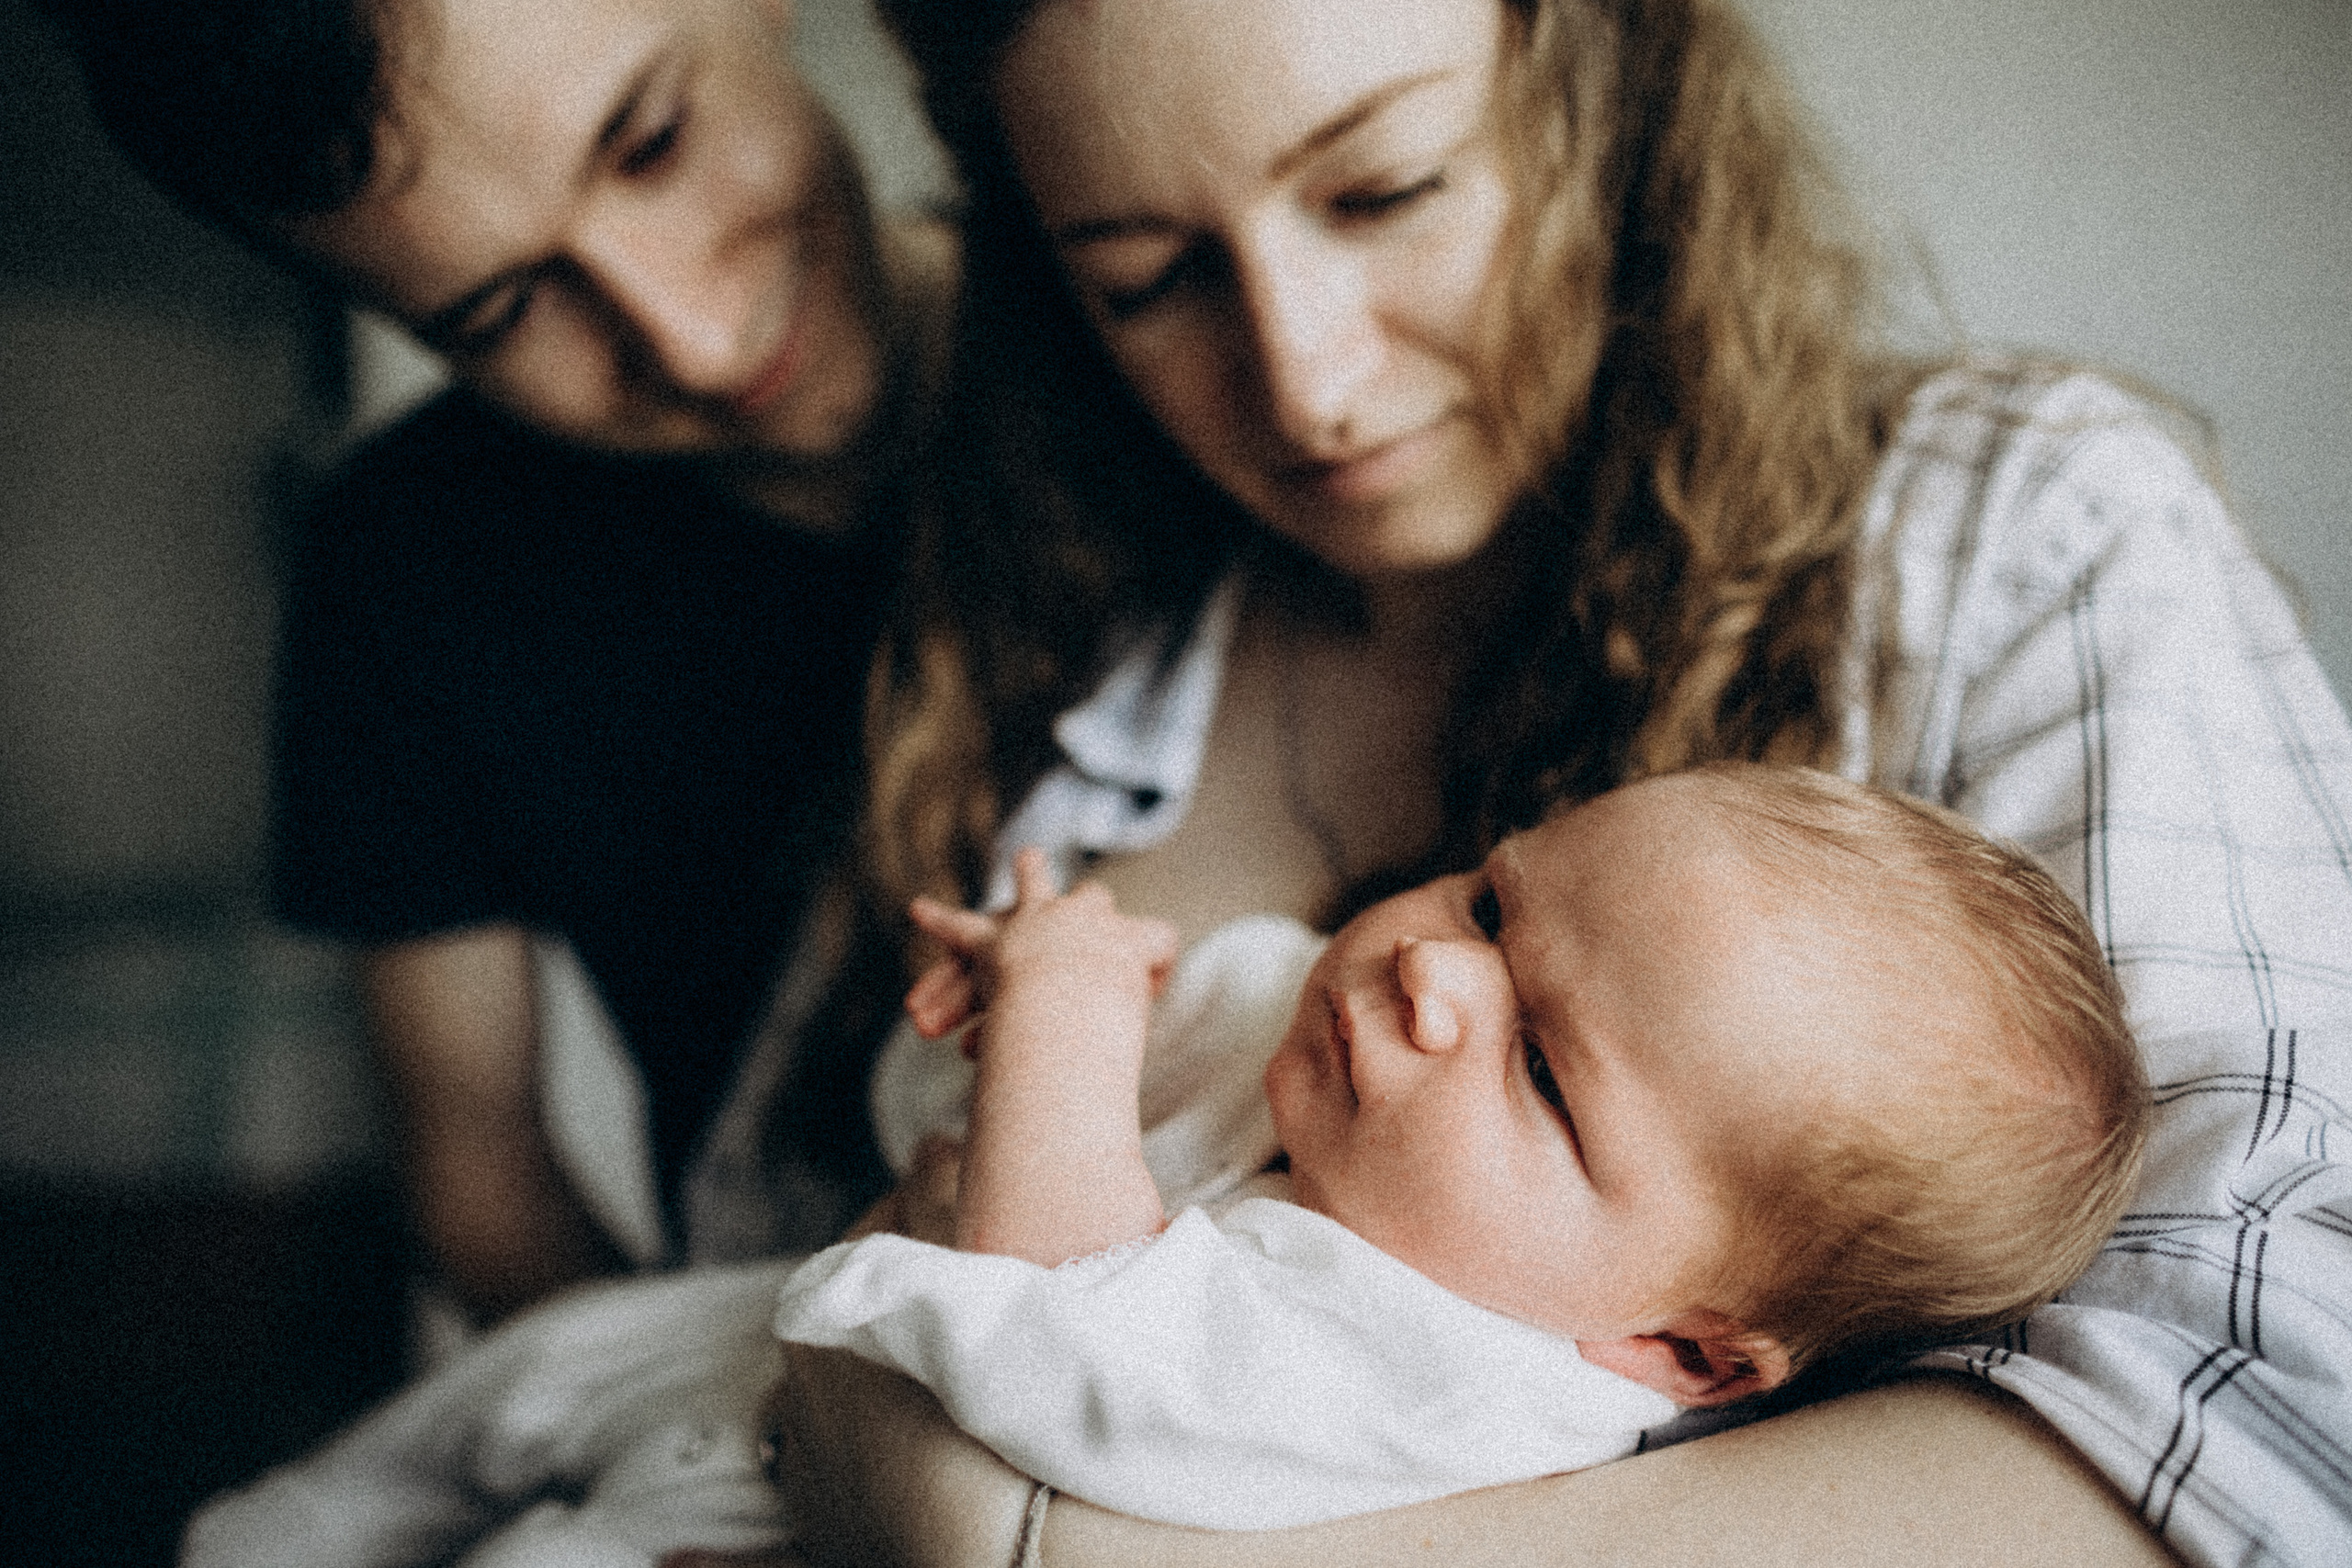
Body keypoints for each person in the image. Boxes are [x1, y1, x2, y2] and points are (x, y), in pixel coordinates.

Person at [768, 0, 2352, 1564]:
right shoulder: (1060, 634)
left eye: (1382, 191)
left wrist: (1014, 1532)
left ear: (1604, 80)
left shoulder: (2008, 531)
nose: (1307, 382)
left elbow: (2279, 1418)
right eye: (1148, 277)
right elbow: (771, 1237)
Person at [38, 0, 952, 1321]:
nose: (693, 340)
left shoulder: (1184, 341)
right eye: (499, 311)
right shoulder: (407, 566)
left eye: (648, 142)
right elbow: (482, 1187)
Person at [779, 765, 2150, 1530]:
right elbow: (1202, 1009)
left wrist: (1065, 1025)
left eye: (1544, 1069)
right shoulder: (1363, 1076)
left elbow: (1061, 1343)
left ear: (1680, 1352)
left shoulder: (1453, 1387)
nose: (1433, 972)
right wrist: (1050, 981)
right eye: (1494, 903)